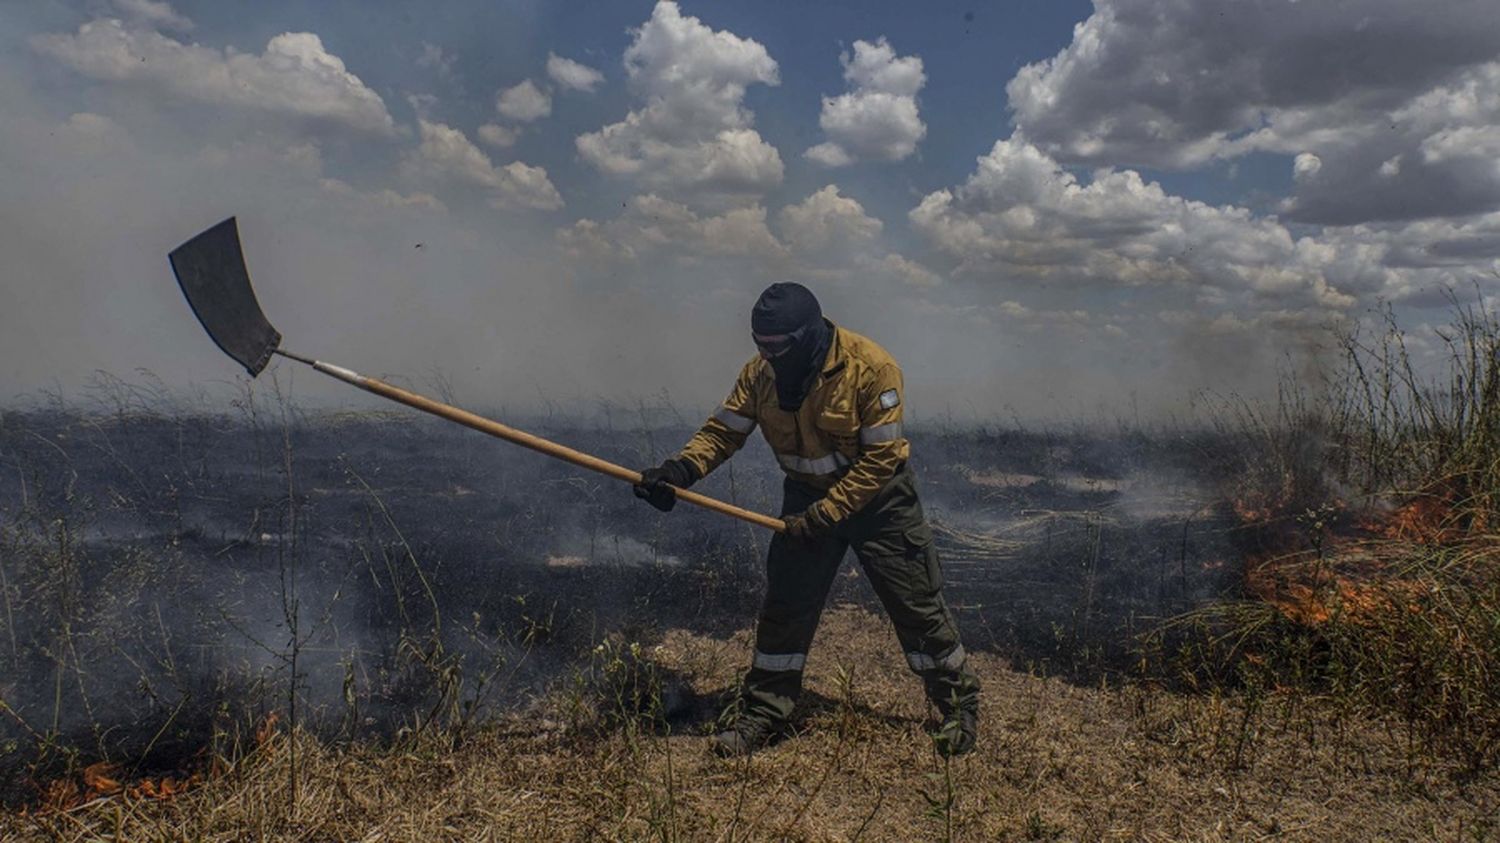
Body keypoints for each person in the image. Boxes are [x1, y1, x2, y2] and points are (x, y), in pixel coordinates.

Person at [633, 282, 979, 757]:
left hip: (880, 502)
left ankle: (958, 708)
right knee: (785, 609)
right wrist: (680, 471)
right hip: (805, 499)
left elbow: (879, 463)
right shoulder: (761, 374)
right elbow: (723, 431)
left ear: (808, 336)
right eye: (759, 346)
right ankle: (765, 711)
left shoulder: (872, 368)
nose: (767, 357)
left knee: (916, 605)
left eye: (776, 347)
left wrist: (827, 514)